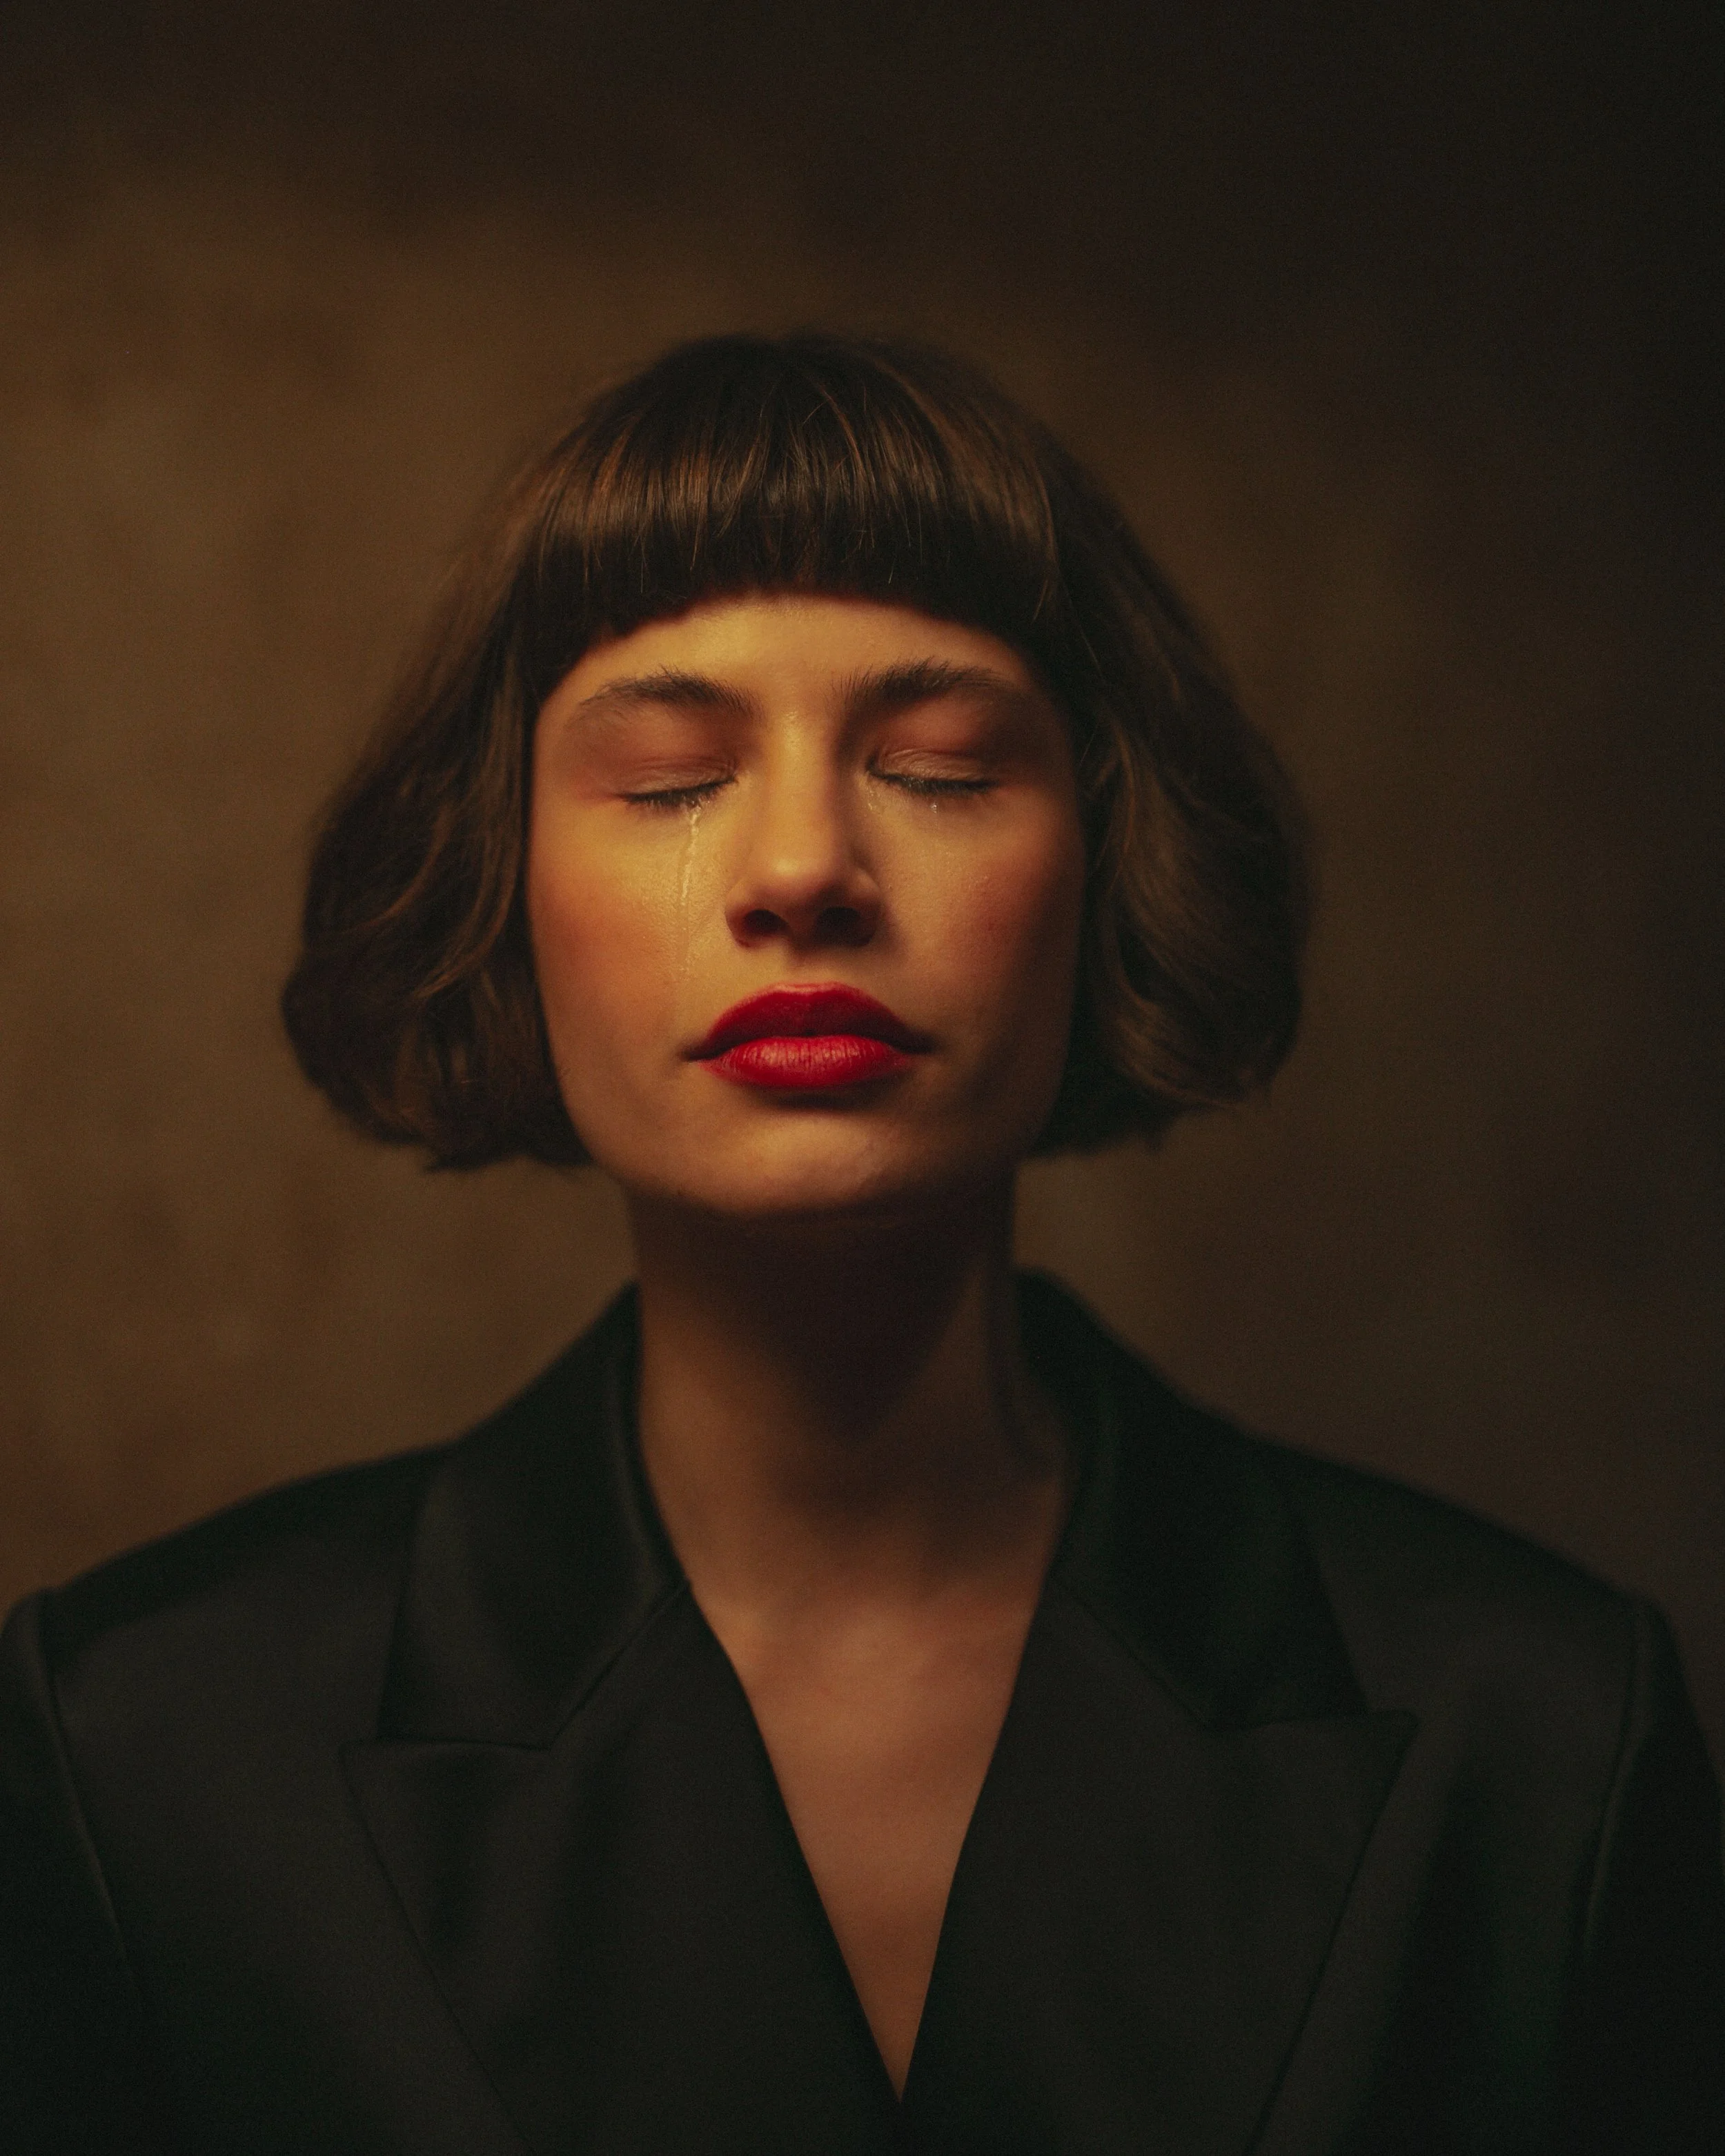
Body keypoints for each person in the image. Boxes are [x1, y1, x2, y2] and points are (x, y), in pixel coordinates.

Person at [1, 332, 1719, 2155]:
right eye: (668, 777)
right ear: (499, 883)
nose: (803, 864)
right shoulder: (148, 1747)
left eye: (942, 764)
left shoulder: (1531, 1731)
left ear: (1106, 860)